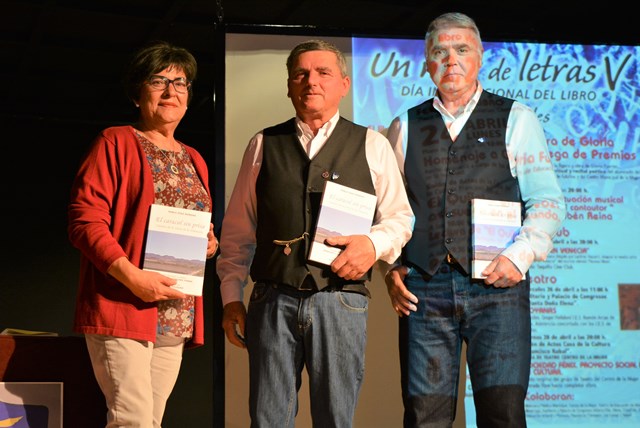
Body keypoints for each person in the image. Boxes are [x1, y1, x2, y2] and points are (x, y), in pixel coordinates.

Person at [216, 39, 414, 427]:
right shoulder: (263, 144)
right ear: (289, 85)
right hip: (273, 299)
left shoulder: (372, 144)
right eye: (301, 74)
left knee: (335, 420)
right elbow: (238, 232)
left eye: (323, 72)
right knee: (268, 420)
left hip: (340, 301)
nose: (312, 81)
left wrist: (372, 246)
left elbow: (399, 219)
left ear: (344, 83)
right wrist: (230, 298)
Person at [384, 12, 567, 428]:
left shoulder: (517, 117)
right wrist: (390, 265)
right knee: (423, 417)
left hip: (498, 291)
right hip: (424, 291)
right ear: (427, 62)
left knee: (502, 414)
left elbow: (548, 201)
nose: (452, 60)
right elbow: (390, 210)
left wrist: (520, 255)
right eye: (440, 52)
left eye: (462, 50)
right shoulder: (404, 125)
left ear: (480, 57)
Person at [68, 40, 217, 428]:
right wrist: (132, 277)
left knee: (149, 422)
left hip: (175, 311)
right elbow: (85, 221)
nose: (171, 92)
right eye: (159, 81)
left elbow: (195, 223)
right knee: (131, 421)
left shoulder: (193, 157)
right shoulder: (115, 141)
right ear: (138, 93)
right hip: (124, 302)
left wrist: (208, 242)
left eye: (180, 83)